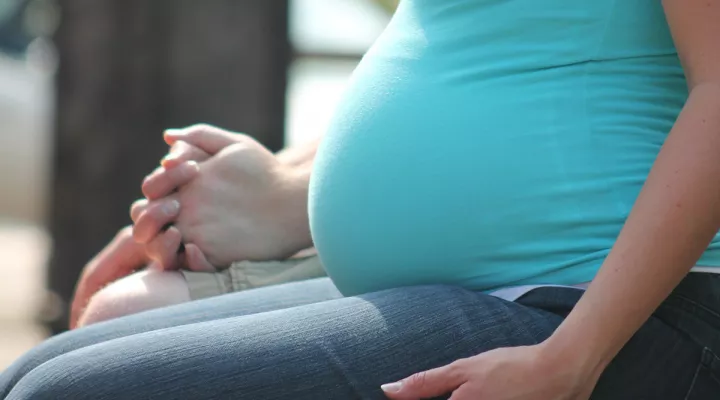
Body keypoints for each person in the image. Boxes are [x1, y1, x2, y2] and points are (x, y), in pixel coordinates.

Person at [2, 0, 720, 398]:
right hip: (494, 286)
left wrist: (576, 357)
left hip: (601, 308)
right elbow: (474, 59)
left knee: (68, 396)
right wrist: (285, 189)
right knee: (34, 374)